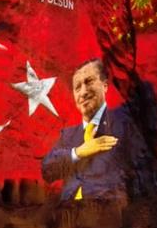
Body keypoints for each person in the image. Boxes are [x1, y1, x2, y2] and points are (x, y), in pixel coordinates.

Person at [40, 59, 139, 201]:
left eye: (89, 81)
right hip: (68, 211)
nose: (83, 92)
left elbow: (142, 177)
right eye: (77, 87)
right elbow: (47, 171)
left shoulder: (125, 126)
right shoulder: (67, 135)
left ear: (105, 86)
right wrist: (79, 152)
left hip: (108, 210)